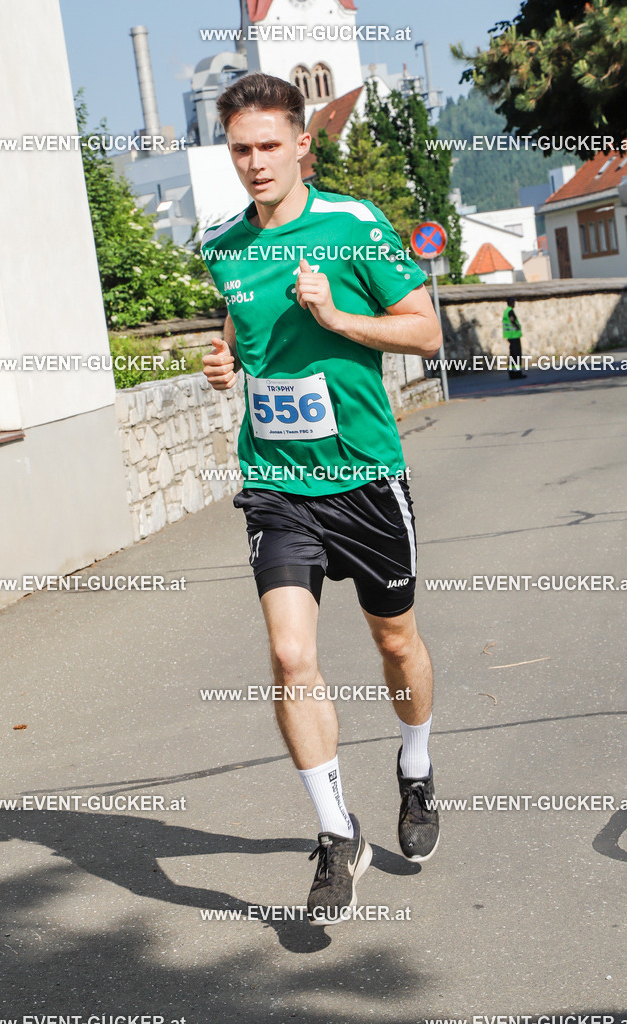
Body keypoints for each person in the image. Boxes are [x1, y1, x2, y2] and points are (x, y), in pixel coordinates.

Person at [201, 72, 443, 926]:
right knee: (290, 655)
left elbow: (424, 327)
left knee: (396, 641)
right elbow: (239, 331)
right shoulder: (222, 245)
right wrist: (224, 362)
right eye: (241, 149)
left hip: (367, 477)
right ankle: (339, 834)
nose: (256, 162)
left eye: (271, 145)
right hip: (278, 484)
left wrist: (338, 318)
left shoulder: (353, 225)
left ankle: (414, 763)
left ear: (303, 142)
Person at [502, 298, 527, 379]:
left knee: (512, 354)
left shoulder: (506, 311)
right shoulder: (510, 311)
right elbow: (512, 320)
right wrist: (517, 327)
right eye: (514, 302)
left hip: (510, 336)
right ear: (511, 303)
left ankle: (512, 372)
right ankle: (517, 373)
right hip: (514, 336)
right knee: (516, 354)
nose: (514, 304)